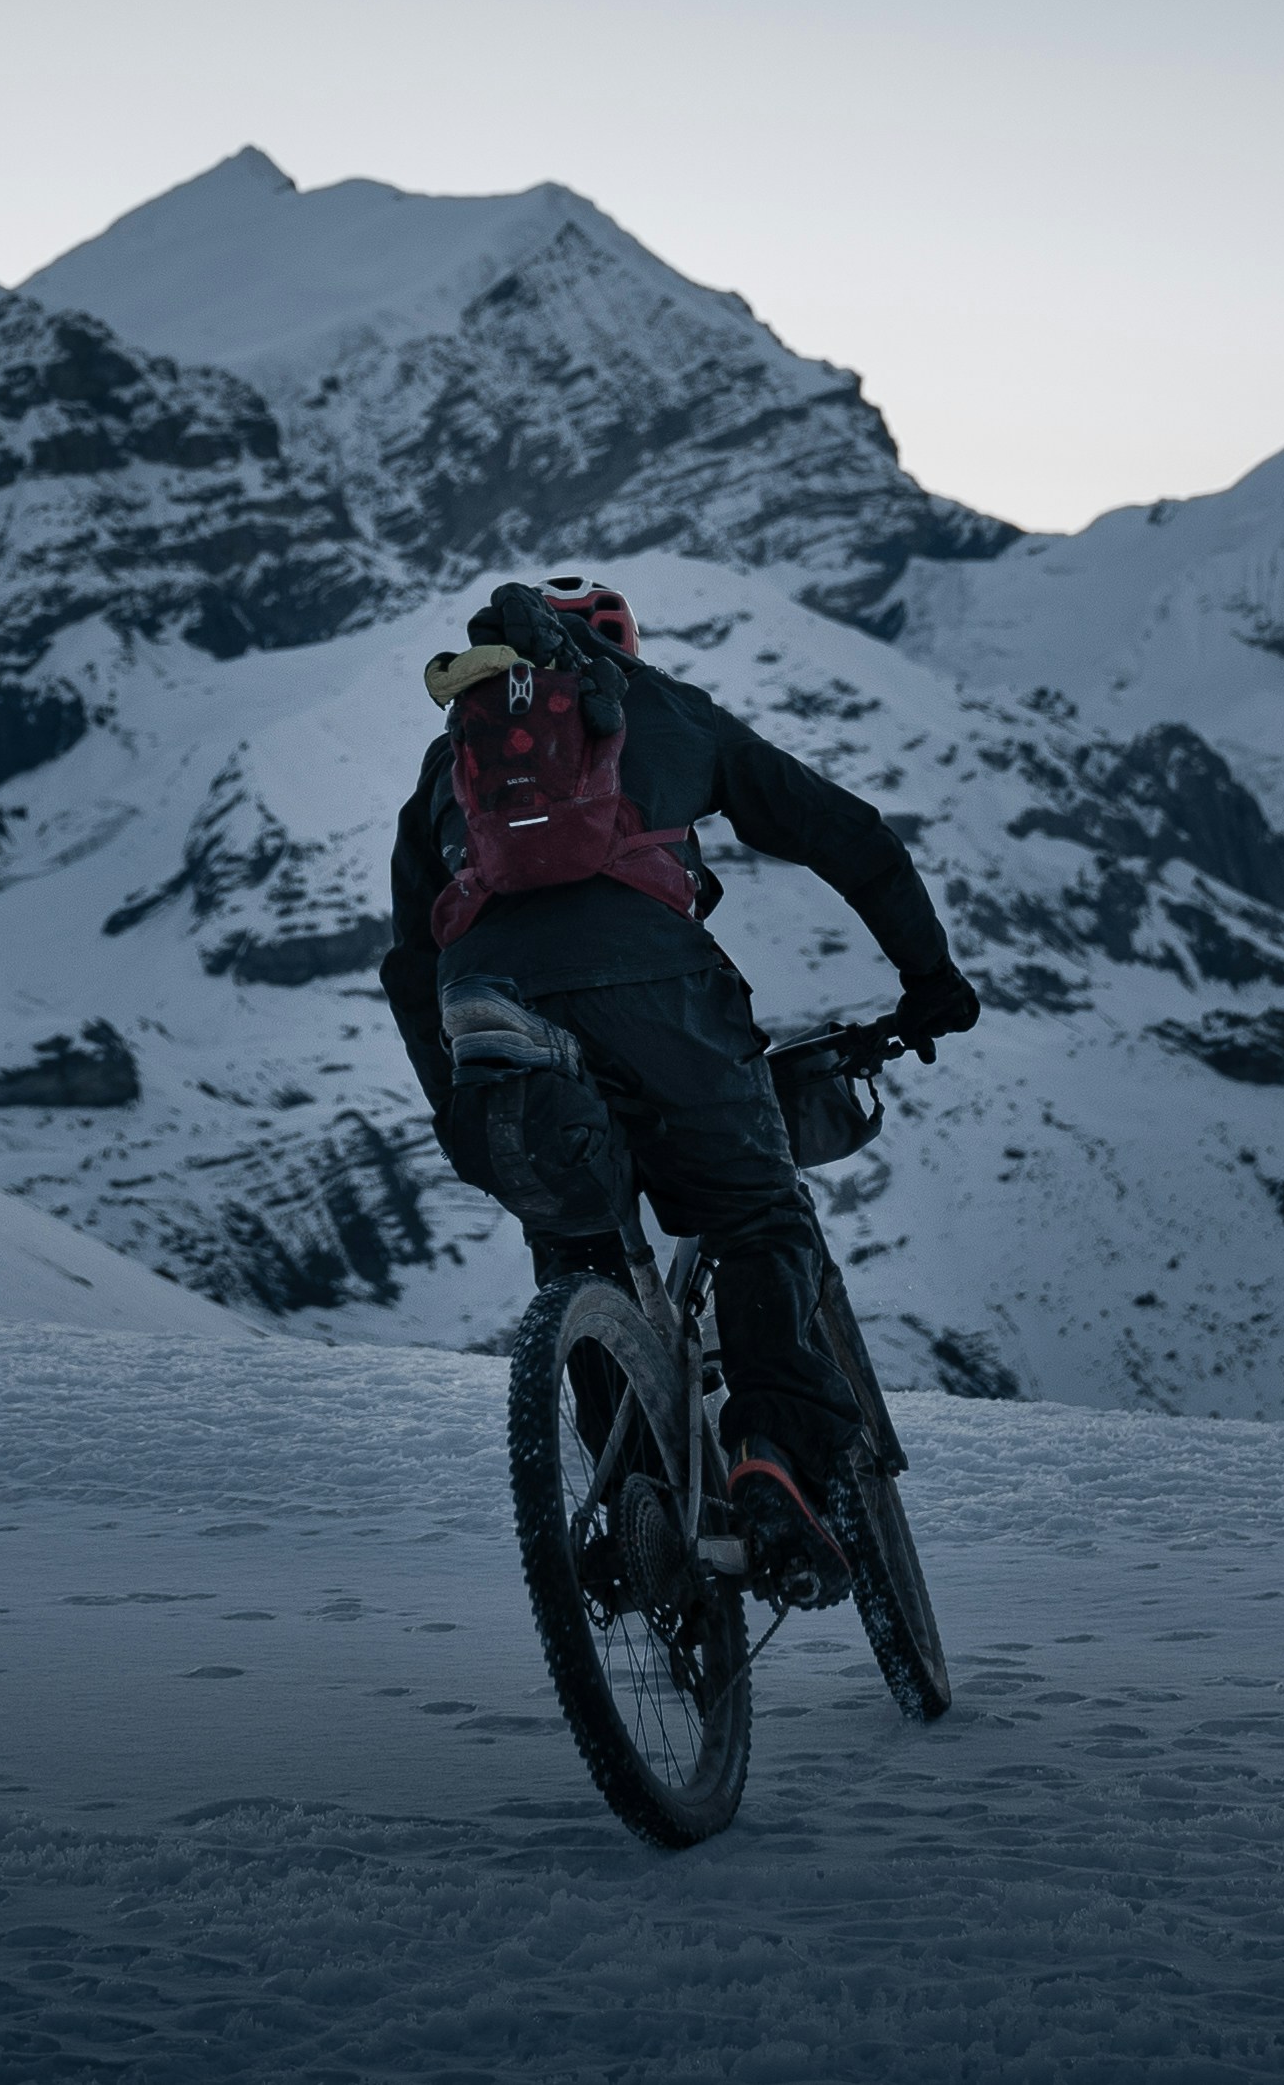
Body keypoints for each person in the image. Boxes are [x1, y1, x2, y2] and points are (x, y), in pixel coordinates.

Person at [382, 575, 981, 1607]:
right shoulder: (663, 709)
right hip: (659, 1001)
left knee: (581, 1257)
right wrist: (929, 976)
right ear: (621, 649)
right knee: (756, 1217)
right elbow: (847, 835)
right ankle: (770, 1459)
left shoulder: (451, 766)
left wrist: (463, 1116)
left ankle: (633, 1516)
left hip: (487, 1016)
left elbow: (406, 964)